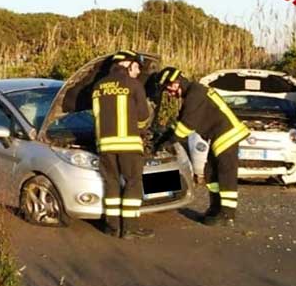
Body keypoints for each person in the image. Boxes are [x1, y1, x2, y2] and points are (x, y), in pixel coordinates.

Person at [154, 67, 249, 226]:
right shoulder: (193, 92)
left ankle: (227, 215)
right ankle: (215, 208)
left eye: (168, 88)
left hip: (227, 134)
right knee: (210, 172)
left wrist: (168, 142)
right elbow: (181, 120)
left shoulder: (195, 93)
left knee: (226, 175)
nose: (169, 93)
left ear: (175, 83)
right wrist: (165, 134)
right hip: (220, 135)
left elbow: (187, 125)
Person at [92, 50, 154, 239]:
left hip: (105, 146)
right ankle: (129, 228)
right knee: (133, 183)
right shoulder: (133, 85)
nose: (137, 72)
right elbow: (143, 118)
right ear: (127, 65)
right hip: (129, 145)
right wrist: (141, 130)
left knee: (111, 183)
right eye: (136, 67)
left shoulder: (98, 86)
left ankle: (112, 227)